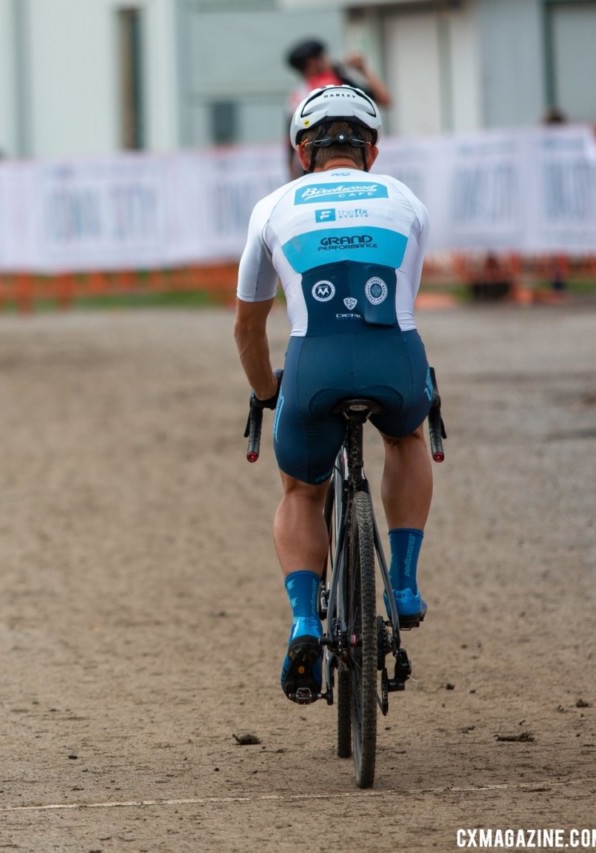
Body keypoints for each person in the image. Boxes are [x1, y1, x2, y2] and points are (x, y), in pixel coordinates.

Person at [235, 86, 434, 704]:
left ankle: (303, 621)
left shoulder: (272, 206)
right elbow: (403, 301)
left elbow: (248, 326)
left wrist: (269, 391)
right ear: (372, 151)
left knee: (301, 489)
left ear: (302, 151)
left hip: (312, 362)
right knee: (405, 435)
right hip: (391, 358)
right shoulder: (404, 199)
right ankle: (401, 583)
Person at [284, 39, 392, 179]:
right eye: (323, 57)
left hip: (312, 167)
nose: (328, 60)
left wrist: (292, 178)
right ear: (313, 62)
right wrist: (363, 69)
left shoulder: (296, 96)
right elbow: (384, 99)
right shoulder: (339, 84)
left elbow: (289, 141)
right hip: (352, 160)